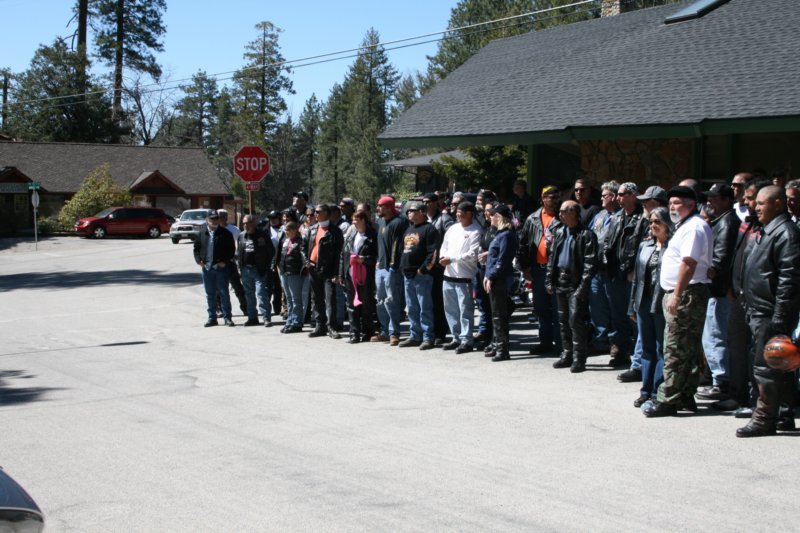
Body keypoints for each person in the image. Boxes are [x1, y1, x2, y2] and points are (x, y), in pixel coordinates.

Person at [643, 186, 713, 417]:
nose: (672, 207)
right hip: (686, 293)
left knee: (674, 348)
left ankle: (668, 399)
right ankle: (685, 395)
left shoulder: (694, 227)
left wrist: (677, 294)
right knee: (687, 348)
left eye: (677, 203)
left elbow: (689, 263)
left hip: (686, 294)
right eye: (670, 203)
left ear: (691, 205)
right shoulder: (686, 225)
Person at [736, 186, 800, 437]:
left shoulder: (786, 233)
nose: (756, 207)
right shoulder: (766, 230)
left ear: (778, 204)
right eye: (757, 203)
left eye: (762, 203)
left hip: (770, 312)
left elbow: (789, 279)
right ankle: (783, 413)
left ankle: (764, 418)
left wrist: (780, 317)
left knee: (766, 365)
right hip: (758, 308)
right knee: (778, 363)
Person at [726, 177, 772, 415]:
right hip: (739, 295)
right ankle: (737, 395)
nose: (746, 202)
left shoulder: (771, 229)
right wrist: (731, 285)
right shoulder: (749, 224)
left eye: (752, 198)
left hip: (760, 300)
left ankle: (757, 401)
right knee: (736, 346)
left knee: (759, 354)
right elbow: (739, 257)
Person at [696, 183, 740, 402]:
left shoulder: (728, 222)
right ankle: (717, 378)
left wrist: (704, 273)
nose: (709, 202)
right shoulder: (720, 221)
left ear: (726, 200)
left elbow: (720, 259)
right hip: (715, 288)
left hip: (719, 290)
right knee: (712, 334)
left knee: (715, 334)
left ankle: (721, 381)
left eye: (714, 198)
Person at [546, 200, 598, 372]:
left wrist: (582, 287)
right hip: (560, 281)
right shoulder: (560, 232)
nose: (560, 214)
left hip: (575, 283)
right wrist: (549, 280)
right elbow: (552, 258)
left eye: (564, 211)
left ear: (574, 213)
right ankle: (567, 353)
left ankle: (579, 358)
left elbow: (590, 264)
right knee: (563, 321)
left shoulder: (587, 235)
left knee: (575, 320)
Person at [604, 182, 648, 369]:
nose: (618, 198)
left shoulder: (642, 218)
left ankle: (639, 359)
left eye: (622, 194)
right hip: (615, 274)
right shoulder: (616, 217)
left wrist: (631, 268)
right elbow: (608, 241)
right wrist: (606, 263)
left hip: (632, 275)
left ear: (633, 195)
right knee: (618, 316)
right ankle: (621, 351)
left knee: (634, 317)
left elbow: (640, 246)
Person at [629, 207, 671, 408]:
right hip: (643, 302)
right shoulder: (644, 246)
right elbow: (637, 278)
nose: (653, 225)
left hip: (661, 302)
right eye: (651, 221)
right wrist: (632, 306)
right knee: (647, 348)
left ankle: (657, 390)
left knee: (661, 348)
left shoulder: (673, 247)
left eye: (658, 222)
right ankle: (645, 390)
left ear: (667, 224)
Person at [518, 185, 562, 355]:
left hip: (557, 270)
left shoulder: (563, 216)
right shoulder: (533, 218)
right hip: (538, 269)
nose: (555, 200)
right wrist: (524, 267)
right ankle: (545, 342)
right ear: (543, 198)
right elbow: (523, 244)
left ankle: (560, 344)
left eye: (557, 197)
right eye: (551, 197)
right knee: (541, 308)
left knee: (558, 308)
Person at [439, 201, 482, 353]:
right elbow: (444, 246)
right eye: (457, 211)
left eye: (461, 212)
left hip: (465, 278)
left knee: (465, 311)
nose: (458, 214)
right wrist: (443, 257)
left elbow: (472, 254)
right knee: (450, 310)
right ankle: (456, 338)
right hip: (448, 276)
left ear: (470, 214)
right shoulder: (452, 229)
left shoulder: (476, 231)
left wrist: (451, 259)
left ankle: (467, 340)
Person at [399, 201, 438, 349]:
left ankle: (428, 337)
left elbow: (433, 253)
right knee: (411, 307)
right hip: (407, 274)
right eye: (408, 211)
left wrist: (423, 269)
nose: (409, 213)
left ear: (422, 212)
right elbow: (403, 250)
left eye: (413, 210)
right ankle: (415, 335)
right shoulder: (409, 230)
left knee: (424, 307)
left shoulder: (430, 229)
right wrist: (402, 267)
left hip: (422, 275)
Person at [587, 181, 620, 355]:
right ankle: (600, 340)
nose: (601, 198)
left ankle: (615, 341)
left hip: (612, 269)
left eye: (604, 195)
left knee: (614, 307)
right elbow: (589, 234)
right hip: (596, 268)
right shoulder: (599, 215)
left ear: (613, 197)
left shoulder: (622, 216)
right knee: (597, 307)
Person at [483, 203, 519, 362]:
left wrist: (491, 276)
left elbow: (503, 260)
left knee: (499, 315)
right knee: (496, 314)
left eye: (493, 215)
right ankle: (497, 345)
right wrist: (488, 275)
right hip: (496, 277)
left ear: (499, 217)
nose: (491, 217)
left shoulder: (506, 235)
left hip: (501, 279)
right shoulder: (500, 234)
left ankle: (502, 349)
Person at [305, 203, 344, 339]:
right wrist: (306, 261)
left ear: (326, 214)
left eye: (318, 212)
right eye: (314, 212)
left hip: (329, 270)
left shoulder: (335, 231)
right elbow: (304, 247)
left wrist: (337, 273)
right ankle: (320, 326)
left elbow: (339, 253)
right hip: (313, 268)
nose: (315, 214)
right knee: (316, 298)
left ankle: (331, 326)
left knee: (330, 299)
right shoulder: (312, 229)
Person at [373, 196, 408, 346]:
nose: (378, 208)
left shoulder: (399, 222)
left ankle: (394, 333)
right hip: (380, 267)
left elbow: (397, 246)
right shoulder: (381, 221)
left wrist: (394, 266)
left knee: (392, 300)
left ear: (388, 207)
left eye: (380, 206)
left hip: (392, 268)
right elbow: (380, 244)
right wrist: (378, 260)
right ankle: (385, 332)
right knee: (380, 301)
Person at [340, 210, 378, 344]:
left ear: (363, 220)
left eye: (356, 220)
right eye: (353, 220)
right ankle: (354, 333)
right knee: (351, 304)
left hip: (366, 274)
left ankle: (368, 332)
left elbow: (377, 257)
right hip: (351, 273)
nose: (354, 222)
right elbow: (343, 255)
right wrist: (341, 274)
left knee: (366, 303)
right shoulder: (351, 235)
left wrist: (365, 259)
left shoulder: (373, 236)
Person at [193, 210, 236, 327]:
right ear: (207, 220)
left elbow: (231, 250)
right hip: (207, 268)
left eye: (216, 218)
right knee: (210, 294)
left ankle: (227, 318)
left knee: (223, 293)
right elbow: (196, 248)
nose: (214, 221)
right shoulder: (202, 233)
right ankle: (212, 318)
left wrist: (224, 261)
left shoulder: (225, 233)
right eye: (212, 218)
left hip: (221, 268)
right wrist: (198, 260)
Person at [424, 192, 452, 345]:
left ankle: (440, 333)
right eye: (424, 202)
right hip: (425, 265)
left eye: (429, 202)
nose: (426, 204)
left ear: (436, 203)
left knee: (438, 300)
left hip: (439, 266)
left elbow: (450, 239)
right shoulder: (422, 218)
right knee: (426, 301)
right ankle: (428, 332)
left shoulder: (444, 219)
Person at [238, 214, 274, 327]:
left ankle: (266, 318)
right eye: (244, 223)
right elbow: (239, 252)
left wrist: (267, 266)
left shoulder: (263, 235)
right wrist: (240, 267)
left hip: (259, 270)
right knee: (249, 295)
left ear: (254, 223)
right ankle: (252, 318)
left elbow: (271, 251)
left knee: (261, 293)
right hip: (245, 270)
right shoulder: (241, 236)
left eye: (248, 223)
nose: (245, 225)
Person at [274, 221, 307, 333]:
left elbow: (303, 257)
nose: (286, 232)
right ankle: (290, 321)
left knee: (296, 298)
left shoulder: (300, 242)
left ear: (294, 230)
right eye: (285, 230)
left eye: (288, 230)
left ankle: (297, 322)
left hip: (295, 273)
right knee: (289, 299)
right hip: (285, 273)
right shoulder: (286, 241)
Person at [218, 209, 247, 316]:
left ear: (226, 217)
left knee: (237, 286)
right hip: (218, 263)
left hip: (231, 261)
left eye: (222, 216)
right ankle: (221, 309)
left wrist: (237, 256)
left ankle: (245, 307)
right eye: (218, 216)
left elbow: (240, 244)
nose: (220, 218)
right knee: (219, 288)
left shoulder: (234, 229)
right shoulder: (214, 229)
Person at [474, 202, 496, 346]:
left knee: (494, 307)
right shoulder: (485, 227)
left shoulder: (501, 230)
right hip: (481, 269)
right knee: (483, 304)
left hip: (493, 270)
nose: (487, 214)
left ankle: (494, 340)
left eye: (490, 211)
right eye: (486, 211)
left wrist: (488, 253)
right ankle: (486, 336)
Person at [266, 210, 284, 316]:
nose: (272, 220)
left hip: (280, 261)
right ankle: (266, 308)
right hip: (268, 261)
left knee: (278, 286)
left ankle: (278, 308)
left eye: (275, 218)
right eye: (270, 218)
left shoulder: (284, 229)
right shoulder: (265, 230)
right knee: (267, 286)